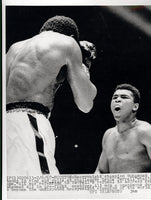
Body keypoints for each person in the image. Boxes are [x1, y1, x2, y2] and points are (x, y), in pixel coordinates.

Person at [6, 15, 97, 175]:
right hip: (30, 123)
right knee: (45, 188)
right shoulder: (68, 43)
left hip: (6, 124)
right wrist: (84, 66)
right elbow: (86, 103)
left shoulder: (14, 49)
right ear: (71, 37)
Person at [95, 83, 151, 173]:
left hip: (142, 187)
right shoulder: (108, 134)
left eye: (124, 97)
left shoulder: (148, 132)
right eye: (115, 97)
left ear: (135, 106)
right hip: (115, 187)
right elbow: (100, 171)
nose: (117, 100)